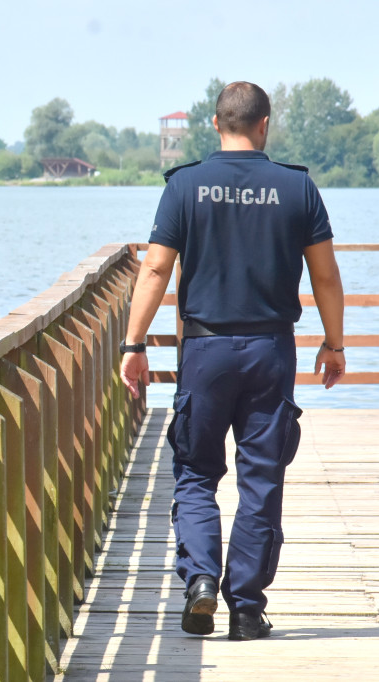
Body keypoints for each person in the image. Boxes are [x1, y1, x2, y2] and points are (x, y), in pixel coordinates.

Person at [119, 81, 346, 641]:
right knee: (261, 479)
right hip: (271, 350)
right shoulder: (297, 187)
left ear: (216, 124)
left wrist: (133, 344)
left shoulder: (185, 186)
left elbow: (153, 271)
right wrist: (334, 344)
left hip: (205, 350)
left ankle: (200, 582)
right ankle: (246, 607)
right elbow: (324, 275)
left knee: (196, 473)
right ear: (264, 124)